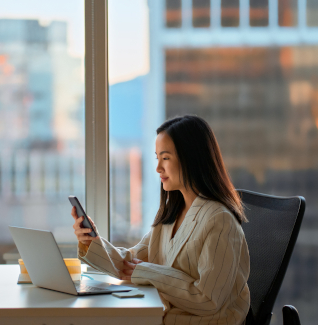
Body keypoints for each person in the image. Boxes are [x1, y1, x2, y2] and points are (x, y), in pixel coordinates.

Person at [72, 115, 250, 325]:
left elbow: (208, 300)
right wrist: (91, 241)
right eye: (157, 158)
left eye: (165, 158)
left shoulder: (219, 221)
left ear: (191, 158)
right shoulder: (171, 215)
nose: (158, 168)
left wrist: (148, 272)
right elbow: (130, 263)